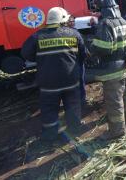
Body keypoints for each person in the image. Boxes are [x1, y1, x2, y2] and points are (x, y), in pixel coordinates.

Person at [21, 7, 86, 143]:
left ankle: (50, 136)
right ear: (63, 19)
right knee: (72, 106)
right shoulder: (74, 34)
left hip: (48, 83)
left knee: (49, 109)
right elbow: (82, 55)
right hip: (71, 80)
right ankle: (74, 130)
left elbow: (26, 54)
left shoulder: (37, 36)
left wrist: (42, 58)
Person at [86, 0, 126, 141]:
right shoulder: (122, 20)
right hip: (125, 64)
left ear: (101, 7)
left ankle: (117, 132)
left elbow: (105, 47)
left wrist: (90, 49)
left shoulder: (106, 23)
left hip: (112, 69)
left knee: (114, 101)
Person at [68, 15, 87, 105]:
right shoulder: (66, 33)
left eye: (73, 21)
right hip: (71, 61)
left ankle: (82, 100)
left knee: (81, 81)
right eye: (70, 21)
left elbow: (82, 47)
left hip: (78, 61)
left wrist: (83, 59)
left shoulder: (76, 31)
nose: (72, 23)